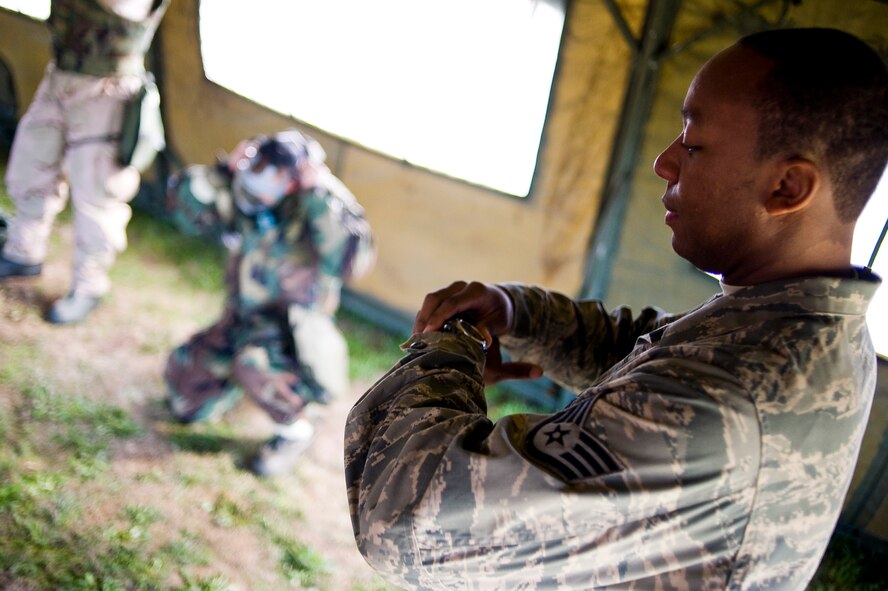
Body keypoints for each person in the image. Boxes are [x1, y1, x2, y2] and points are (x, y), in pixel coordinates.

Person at [344, 28, 888, 590]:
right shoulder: (799, 327)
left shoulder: (723, 391)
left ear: (787, 187)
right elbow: (642, 345)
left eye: (693, 143)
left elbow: (405, 515)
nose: (664, 162)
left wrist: (450, 344)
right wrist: (513, 311)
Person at [165, 129, 375, 477]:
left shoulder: (320, 201)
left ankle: (298, 427)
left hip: (290, 333)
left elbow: (352, 263)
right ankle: (232, 385)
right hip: (240, 319)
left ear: (294, 181)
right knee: (184, 397)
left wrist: (318, 195)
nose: (260, 188)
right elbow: (184, 211)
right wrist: (221, 172)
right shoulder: (241, 188)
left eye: (275, 177)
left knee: (254, 365)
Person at [0, 0, 169, 324]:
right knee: (31, 164)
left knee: (98, 195)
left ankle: (89, 286)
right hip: (61, 74)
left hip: (108, 88)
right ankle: (23, 252)